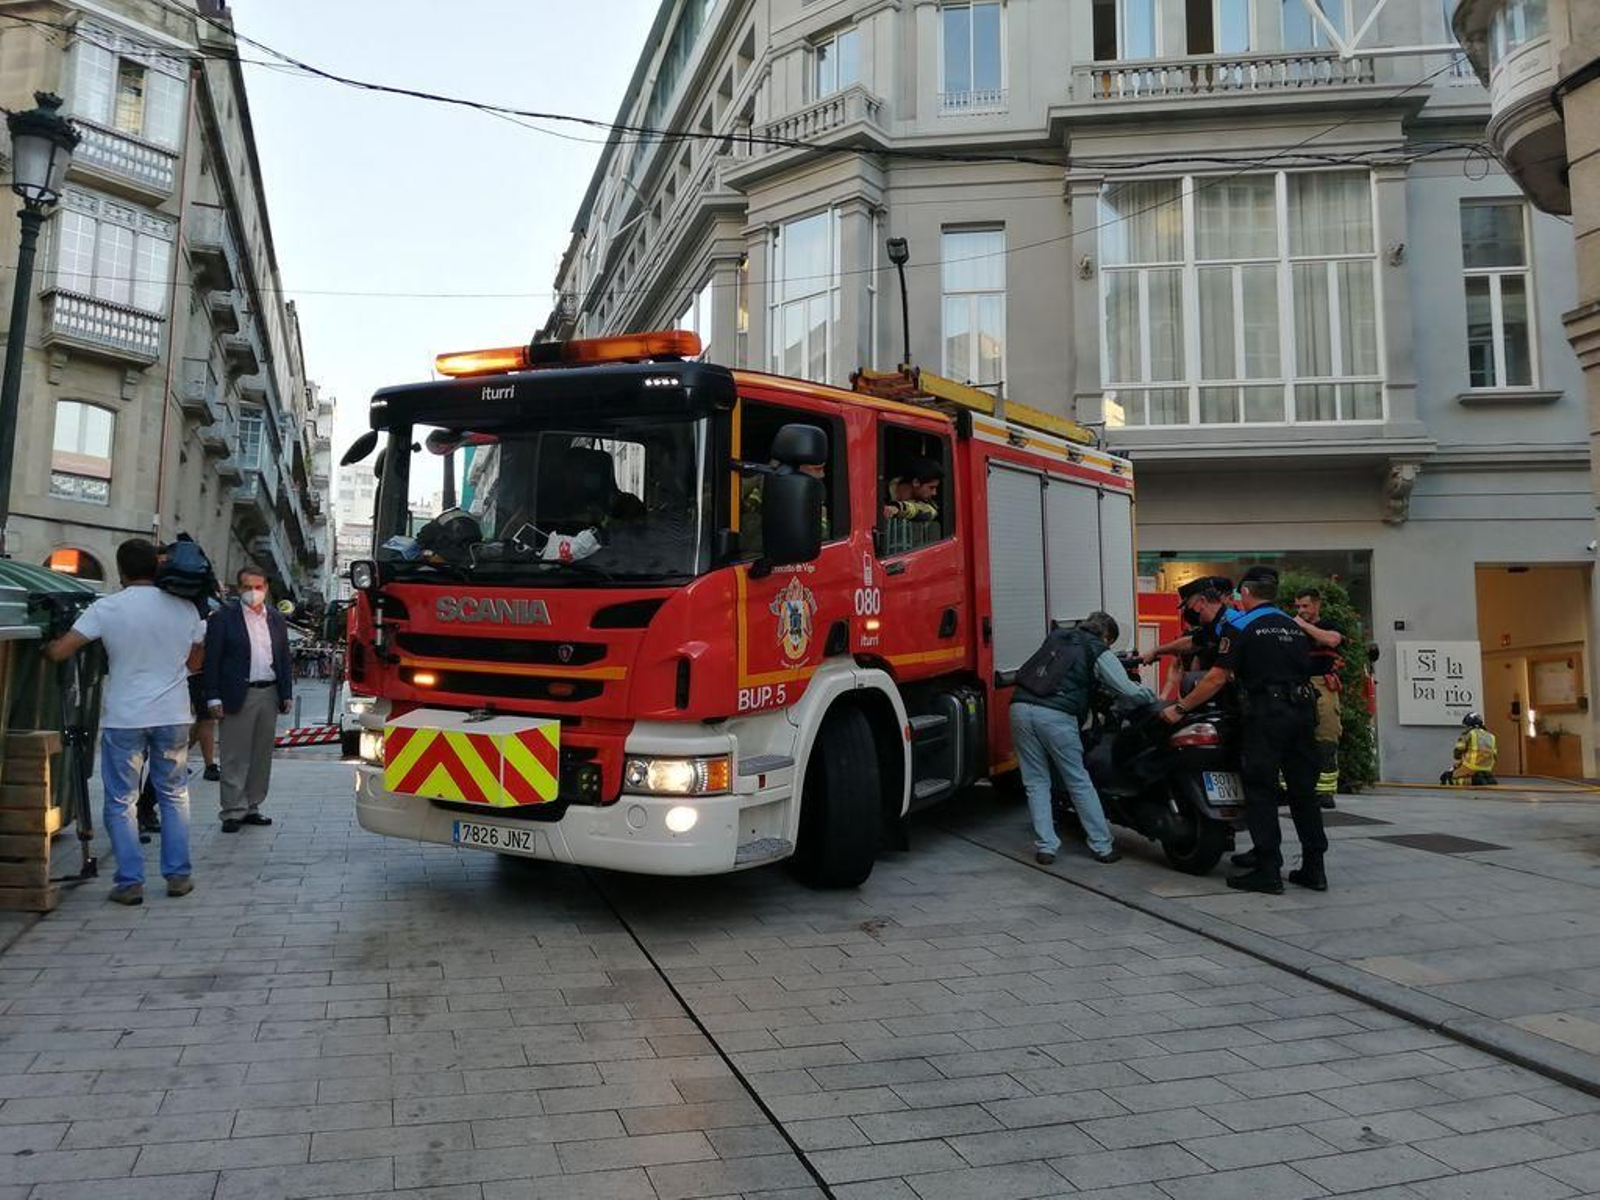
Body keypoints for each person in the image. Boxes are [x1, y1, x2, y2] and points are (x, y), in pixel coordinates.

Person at [43, 538, 204, 905]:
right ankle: (178, 876)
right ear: (157, 566)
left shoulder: (108, 607)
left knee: (120, 800)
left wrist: (47, 648)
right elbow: (196, 664)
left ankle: (130, 882)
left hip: (126, 716)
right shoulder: (186, 609)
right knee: (174, 794)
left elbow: (61, 651)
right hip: (173, 716)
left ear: (121, 570)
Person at [1162, 566, 1327, 895]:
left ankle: (1268, 870)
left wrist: (1179, 708)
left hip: (1267, 715)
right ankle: (1314, 869)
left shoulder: (1241, 624)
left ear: (1246, 595)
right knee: (1303, 793)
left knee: (1261, 789)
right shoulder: (1293, 626)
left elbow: (1216, 678)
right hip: (1303, 713)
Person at [1011, 611, 1152, 866]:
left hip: (1020, 707)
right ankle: (1102, 846)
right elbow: (1127, 690)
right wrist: (1153, 698)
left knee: (1036, 781)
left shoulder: (1056, 638)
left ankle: (1047, 847)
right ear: (1107, 635)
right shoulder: (1098, 649)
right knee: (1077, 779)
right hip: (1055, 716)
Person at [203, 566, 292, 832]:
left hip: (269, 692)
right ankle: (232, 810)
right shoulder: (223, 618)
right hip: (237, 693)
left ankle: (253, 806)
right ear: (238, 589)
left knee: (261, 754)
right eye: (247, 587)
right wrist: (212, 697)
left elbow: (283, 658)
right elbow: (212, 661)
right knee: (234, 754)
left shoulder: (275, 619)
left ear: (266, 588)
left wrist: (285, 693)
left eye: (259, 587)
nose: (254, 592)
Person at [1293, 588, 1345, 809]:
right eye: (1297, 607)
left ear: (1317, 605)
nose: (1301, 611)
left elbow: (1332, 640)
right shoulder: (1290, 627)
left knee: (1326, 737)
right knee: (1293, 738)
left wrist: (1303, 625)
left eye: (1305, 606)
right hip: (1295, 684)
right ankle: (1291, 789)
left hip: (1323, 684)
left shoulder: (1329, 625)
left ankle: (1325, 792)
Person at [1442, 712, 1498, 786]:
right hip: (1487, 767)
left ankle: (1474, 780)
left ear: (1469, 725)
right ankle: (1488, 779)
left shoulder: (1469, 733)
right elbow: (1495, 755)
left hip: (1471, 766)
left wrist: (1457, 760)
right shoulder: (1491, 736)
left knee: (1447, 778)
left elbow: (1459, 749)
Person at [883, 457, 942, 522]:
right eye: (931, 487)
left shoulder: (928, 503)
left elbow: (930, 511)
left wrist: (899, 508)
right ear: (916, 482)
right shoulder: (879, 490)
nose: (934, 493)